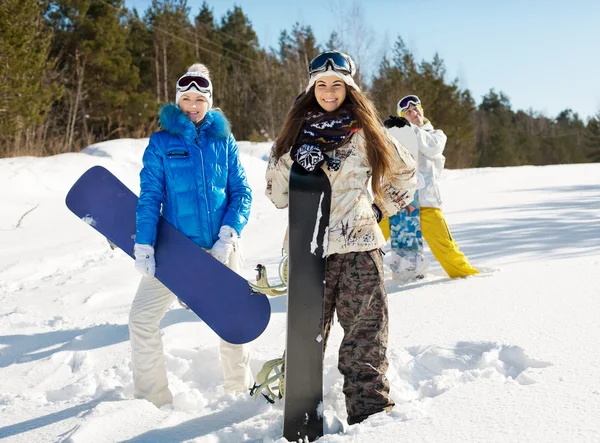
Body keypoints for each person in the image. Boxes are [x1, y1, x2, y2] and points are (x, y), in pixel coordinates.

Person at [265, 51, 417, 425]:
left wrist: (379, 209)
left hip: (360, 250)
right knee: (306, 340)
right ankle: (301, 415)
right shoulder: (294, 134)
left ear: (349, 88)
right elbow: (276, 195)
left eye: (337, 84)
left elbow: (406, 177)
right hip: (307, 251)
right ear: (311, 88)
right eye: (322, 85)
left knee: (364, 336)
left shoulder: (366, 132)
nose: (329, 91)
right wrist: (293, 160)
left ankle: (370, 416)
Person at [129, 63, 253, 408]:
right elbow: (150, 196)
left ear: (209, 102)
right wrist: (145, 243)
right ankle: (151, 400)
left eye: (200, 99)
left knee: (235, 319)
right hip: (175, 250)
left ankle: (238, 395)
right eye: (187, 99)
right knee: (141, 318)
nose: (193, 105)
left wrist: (228, 235)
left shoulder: (222, 140)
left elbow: (241, 191)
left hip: (221, 247)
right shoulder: (161, 142)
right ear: (177, 101)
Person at [384, 95, 479, 278]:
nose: (413, 113)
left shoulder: (437, 135)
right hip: (399, 204)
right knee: (371, 233)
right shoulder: (397, 139)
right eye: (408, 113)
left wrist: (407, 127)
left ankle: (467, 276)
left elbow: (432, 147)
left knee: (445, 245)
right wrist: (388, 132)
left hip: (427, 202)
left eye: (415, 109)